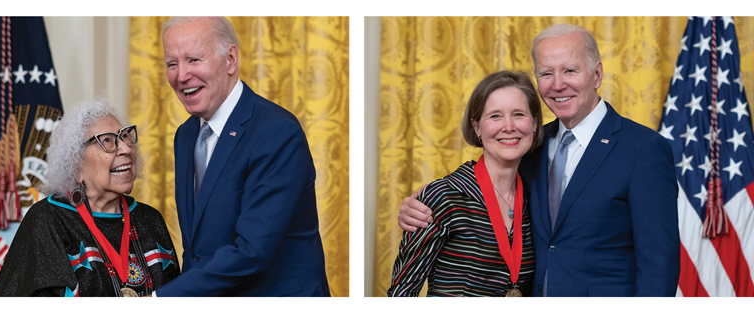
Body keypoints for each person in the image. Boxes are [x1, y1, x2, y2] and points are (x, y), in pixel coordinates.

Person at [397, 24, 678, 296]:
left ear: (596, 74)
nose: (558, 84)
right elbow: (485, 191)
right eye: (546, 73)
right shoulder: (529, 145)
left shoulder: (644, 149)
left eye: (570, 70)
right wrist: (419, 206)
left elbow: (658, 267)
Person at [154, 16, 329, 296]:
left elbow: (252, 251)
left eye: (194, 59)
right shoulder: (185, 135)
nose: (181, 75)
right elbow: (197, 250)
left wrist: (161, 298)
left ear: (231, 59)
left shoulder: (277, 132)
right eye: (172, 64)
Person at [0, 100, 180, 297]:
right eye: (107, 140)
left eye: (125, 136)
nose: (125, 148)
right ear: (75, 164)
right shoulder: (48, 219)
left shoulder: (150, 219)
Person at [389, 71, 541, 297]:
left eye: (518, 114)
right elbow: (401, 293)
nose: (508, 126)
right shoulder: (442, 197)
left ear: (535, 123)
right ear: (477, 127)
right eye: (495, 116)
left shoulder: (535, 198)